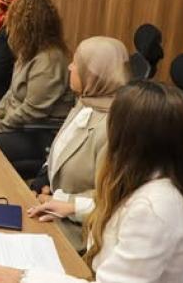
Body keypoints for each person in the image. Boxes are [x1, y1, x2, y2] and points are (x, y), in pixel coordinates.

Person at [0, 81, 183, 283]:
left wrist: (22, 277)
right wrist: (73, 207)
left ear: (127, 137)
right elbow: (121, 212)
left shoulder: (153, 211)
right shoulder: (152, 177)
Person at [29, 36, 130, 250]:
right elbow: (61, 147)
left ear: (92, 76)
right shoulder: (86, 101)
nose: (70, 67)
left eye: (76, 63)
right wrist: (43, 179)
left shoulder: (113, 127)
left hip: (79, 229)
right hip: (51, 206)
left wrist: (61, 200)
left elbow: (110, 199)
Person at [0, 0, 74, 177]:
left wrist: (0, 126)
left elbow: (33, 110)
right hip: (20, 126)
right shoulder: (28, 52)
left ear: (26, 26)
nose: (8, 26)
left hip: (39, 133)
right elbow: (12, 91)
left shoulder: (49, 60)